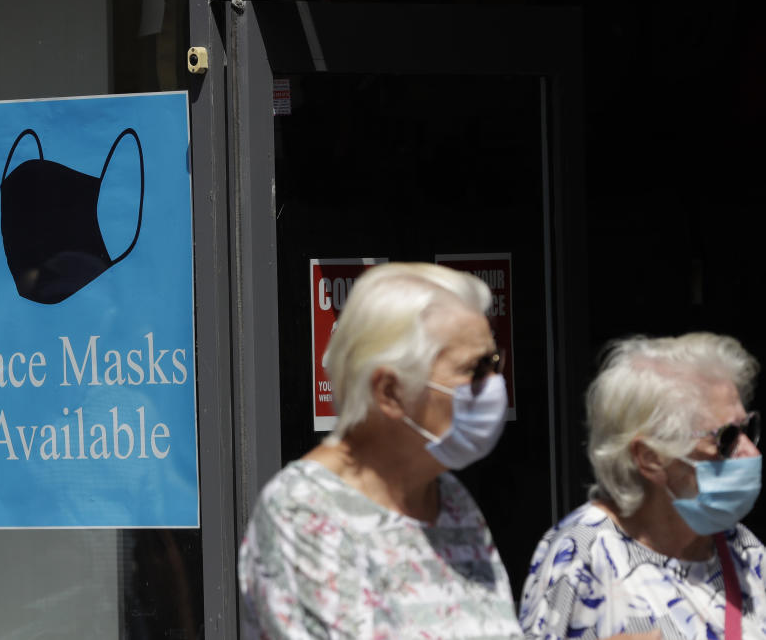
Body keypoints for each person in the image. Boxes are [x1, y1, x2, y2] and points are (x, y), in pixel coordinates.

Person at [238, 262, 523, 638]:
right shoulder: (304, 512)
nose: (493, 386)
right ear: (390, 392)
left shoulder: (451, 501)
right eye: (474, 369)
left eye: (495, 362)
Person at [519, 332, 766, 640]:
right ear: (651, 458)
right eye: (726, 438)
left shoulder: (743, 549)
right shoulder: (582, 553)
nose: (750, 452)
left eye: (748, 430)